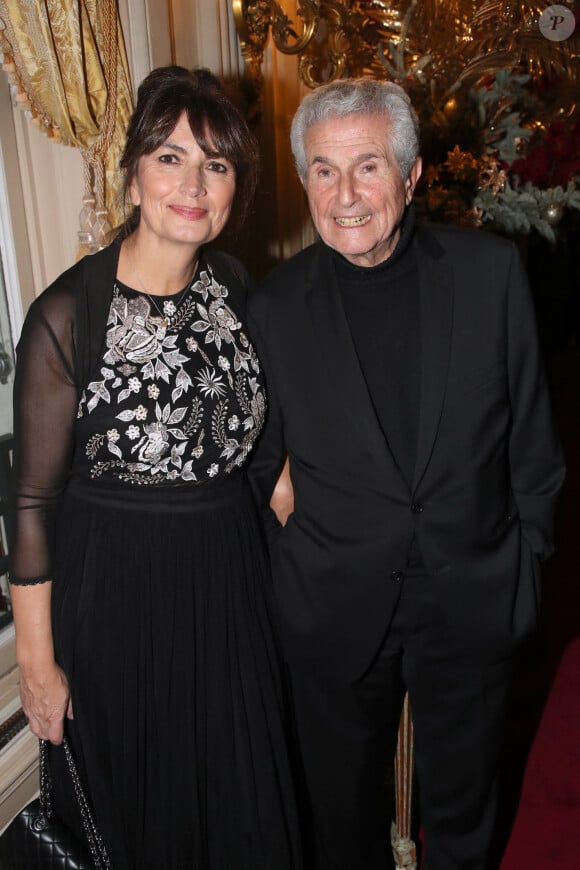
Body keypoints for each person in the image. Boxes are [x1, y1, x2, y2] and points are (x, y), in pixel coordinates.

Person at [247, 78, 565, 870]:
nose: (345, 195)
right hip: (335, 601)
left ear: (412, 173)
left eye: (367, 167)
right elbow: (254, 453)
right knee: (341, 818)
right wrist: (294, 515)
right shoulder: (276, 306)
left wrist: (528, 561)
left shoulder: (491, 275)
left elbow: (533, 440)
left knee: (465, 812)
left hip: (472, 589)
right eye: (323, 170)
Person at [9, 65, 302, 869]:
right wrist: (37, 667)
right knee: (146, 808)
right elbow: (30, 501)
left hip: (230, 581)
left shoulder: (236, 286)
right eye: (170, 157)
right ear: (134, 170)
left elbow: (254, 439)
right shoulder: (70, 314)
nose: (193, 183)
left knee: (236, 793)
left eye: (216, 164)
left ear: (236, 186)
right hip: (118, 597)